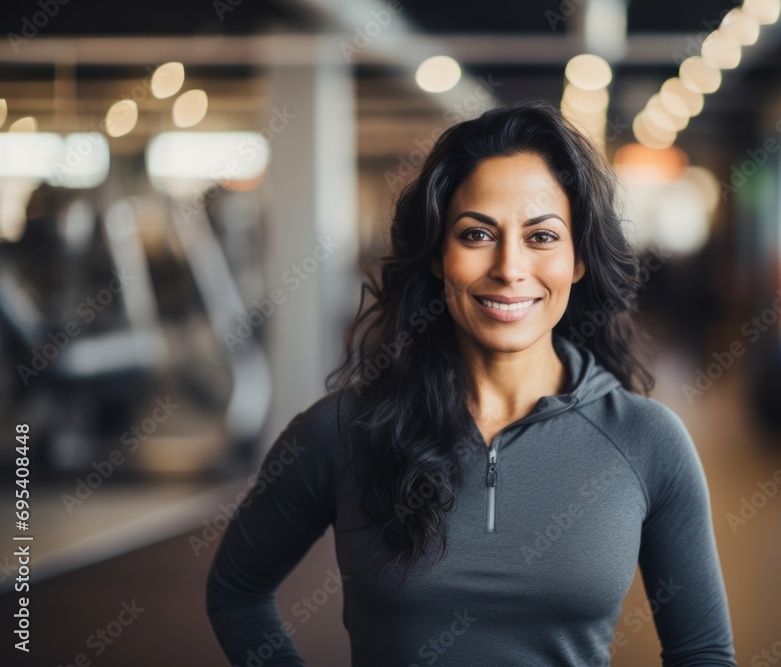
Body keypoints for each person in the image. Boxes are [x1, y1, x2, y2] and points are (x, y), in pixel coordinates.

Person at [205, 100, 737, 666]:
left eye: (541, 237)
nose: (509, 268)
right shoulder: (340, 432)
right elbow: (237, 591)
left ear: (578, 258)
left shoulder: (647, 441)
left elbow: (702, 652)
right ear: (438, 256)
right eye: (477, 234)